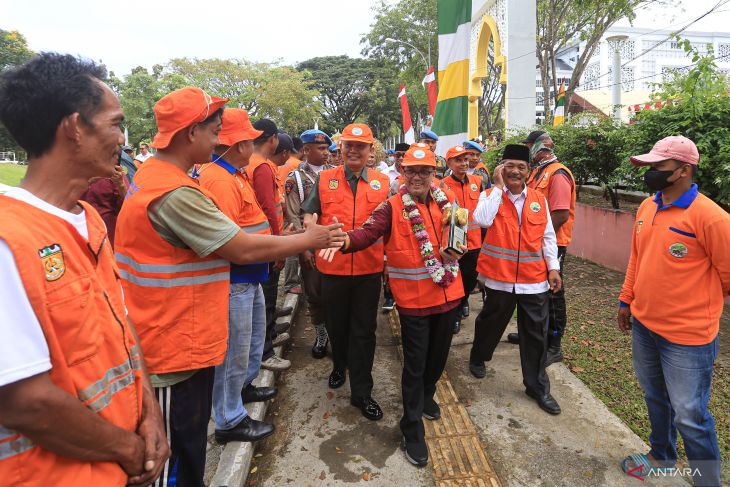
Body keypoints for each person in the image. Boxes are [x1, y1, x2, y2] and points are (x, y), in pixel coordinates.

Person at [115, 87, 345, 487]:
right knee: (175, 459)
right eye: (213, 131)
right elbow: (239, 245)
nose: (218, 140)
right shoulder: (173, 191)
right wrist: (310, 239)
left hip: (181, 331)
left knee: (188, 451)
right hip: (172, 344)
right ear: (190, 133)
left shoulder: (166, 177)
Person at [0, 52, 169, 487]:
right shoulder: (8, 241)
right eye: (116, 123)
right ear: (75, 127)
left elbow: (123, 334)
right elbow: (25, 402)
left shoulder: (87, 219)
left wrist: (151, 416)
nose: (124, 140)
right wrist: (130, 450)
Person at [323, 143, 466, 467]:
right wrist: (343, 240)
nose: (418, 176)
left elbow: (460, 238)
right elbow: (366, 233)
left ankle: (427, 396)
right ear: (402, 173)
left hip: (449, 296)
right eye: (412, 170)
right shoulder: (391, 207)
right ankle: (411, 428)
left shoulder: (449, 203)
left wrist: (457, 251)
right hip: (414, 303)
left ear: (434, 174)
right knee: (415, 368)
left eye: (424, 171)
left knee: (436, 362)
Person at [617, 136, 729, 486]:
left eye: (658, 168)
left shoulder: (712, 218)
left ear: (683, 170)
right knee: (655, 397)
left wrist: (692, 307)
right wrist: (626, 299)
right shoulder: (647, 207)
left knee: (691, 415)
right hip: (644, 327)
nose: (650, 173)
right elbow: (638, 257)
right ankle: (661, 456)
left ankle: (706, 481)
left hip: (688, 339)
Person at [196, 108, 278, 444]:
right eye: (249, 139)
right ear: (238, 144)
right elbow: (226, 241)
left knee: (251, 342)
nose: (254, 144)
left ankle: (241, 391)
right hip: (234, 279)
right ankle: (229, 418)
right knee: (234, 351)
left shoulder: (233, 173)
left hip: (249, 276)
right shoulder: (218, 178)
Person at [302, 123, 390, 421]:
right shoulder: (325, 179)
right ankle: (339, 364)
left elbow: (390, 225)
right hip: (333, 268)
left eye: (360, 146)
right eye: (348, 145)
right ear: (340, 150)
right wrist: (309, 226)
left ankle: (362, 392)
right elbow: (310, 211)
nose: (354, 150)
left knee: (365, 331)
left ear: (370, 152)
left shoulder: (383, 183)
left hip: (368, 269)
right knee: (337, 325)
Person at [469, 144, 563, 416]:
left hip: (534, 280)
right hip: (499, 278)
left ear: (528, 171)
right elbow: (482, 221)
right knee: (490, 322)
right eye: (509, 166)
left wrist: (553, 268)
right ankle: (479, 356)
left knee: (535, 334)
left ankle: (537, 387)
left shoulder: (538, 199)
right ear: (501, 169)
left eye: (521, 167)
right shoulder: (490, 195)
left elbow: (547, 236)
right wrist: (497, 187)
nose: (515, 172)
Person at [516, 132, 576, 366]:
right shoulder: (539, 171)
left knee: (553, 293)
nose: (528, 149)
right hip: (536, 241)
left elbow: (559, 214)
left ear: (541, 146)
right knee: (536, 290)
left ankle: (554, 344)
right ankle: (534, 335)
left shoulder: (558, 174)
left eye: (530, 145)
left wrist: (539, 238)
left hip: (552, 243)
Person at [246, 122, 292, 372]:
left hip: (261, 240)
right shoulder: (261, 166)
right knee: (266, 295)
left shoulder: (250, 163)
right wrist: (279, 244)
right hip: (267, 241)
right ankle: (266, 350)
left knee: (266, 295)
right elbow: (268, 207)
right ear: (273, 139)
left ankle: (270, 335)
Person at [285, 129, 334, 359]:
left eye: (327, 149)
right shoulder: (295, 178)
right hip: (311, 246)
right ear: (306, 150)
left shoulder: (335, 174)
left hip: (333, 245)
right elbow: (294, 215)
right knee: (315, 293)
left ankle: (336, 332)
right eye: (321, 149)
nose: (326, 153)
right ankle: (321, 333)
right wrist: (303, 247)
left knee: (335, 291)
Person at [439, 146, 484, 334]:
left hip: (475, 243)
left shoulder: (478, 182)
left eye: (466, 159)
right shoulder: (442, 185)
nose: (464, 163)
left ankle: (464, 301)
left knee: (470, 278)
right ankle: (455, 315)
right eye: (458, 160)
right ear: (449, 163)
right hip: (453, 244)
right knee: (454, 279)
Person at [80, 161, 129, 247]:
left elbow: (129, 205)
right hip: (81, 231)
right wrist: (88, 182)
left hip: (107, 233)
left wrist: (121, 185)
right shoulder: (76, 171)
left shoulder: (115, 174)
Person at [281, 136, 305, 294]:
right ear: (303, 150)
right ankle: (291, 283)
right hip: (292, 211)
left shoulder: (282, 163)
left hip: (282, 210)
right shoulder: (297, 167)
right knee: (293, 249)